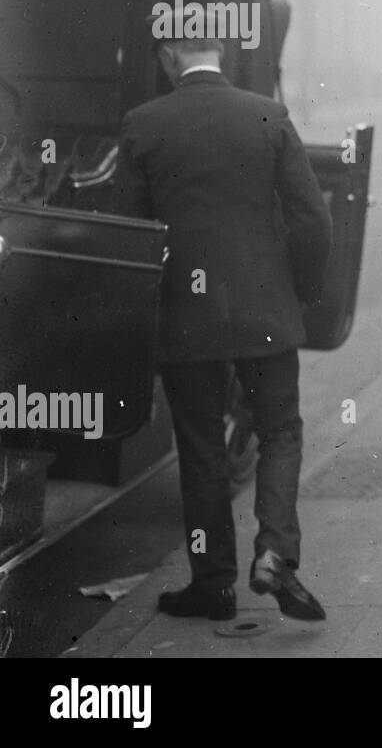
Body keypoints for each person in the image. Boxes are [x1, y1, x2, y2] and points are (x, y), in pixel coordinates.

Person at [114, 34, 332, 622]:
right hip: (265, 310)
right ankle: (275, 556)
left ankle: (212, 584)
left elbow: (128, 235)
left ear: (167, 58)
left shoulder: (142, 124)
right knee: (280, 430)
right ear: (222, 55)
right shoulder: (268, 115)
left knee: (201, 448)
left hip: (186, 316)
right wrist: (302, 293)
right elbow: (313, 218)